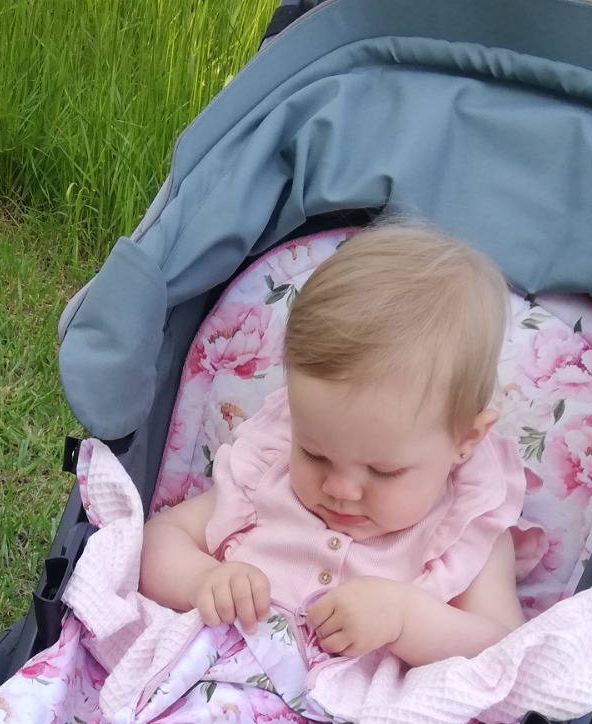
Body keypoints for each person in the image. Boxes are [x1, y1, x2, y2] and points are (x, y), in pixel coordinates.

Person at [138, 220, 527, 668]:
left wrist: (406, 619)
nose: (339, 488)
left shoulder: (463, 528)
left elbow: (507, 651)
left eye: (383, 470)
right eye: (314, 453)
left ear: (465, 440)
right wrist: (202, 580)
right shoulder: (265, 477)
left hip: (353, 713)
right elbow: (156, 541)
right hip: (212, 689)